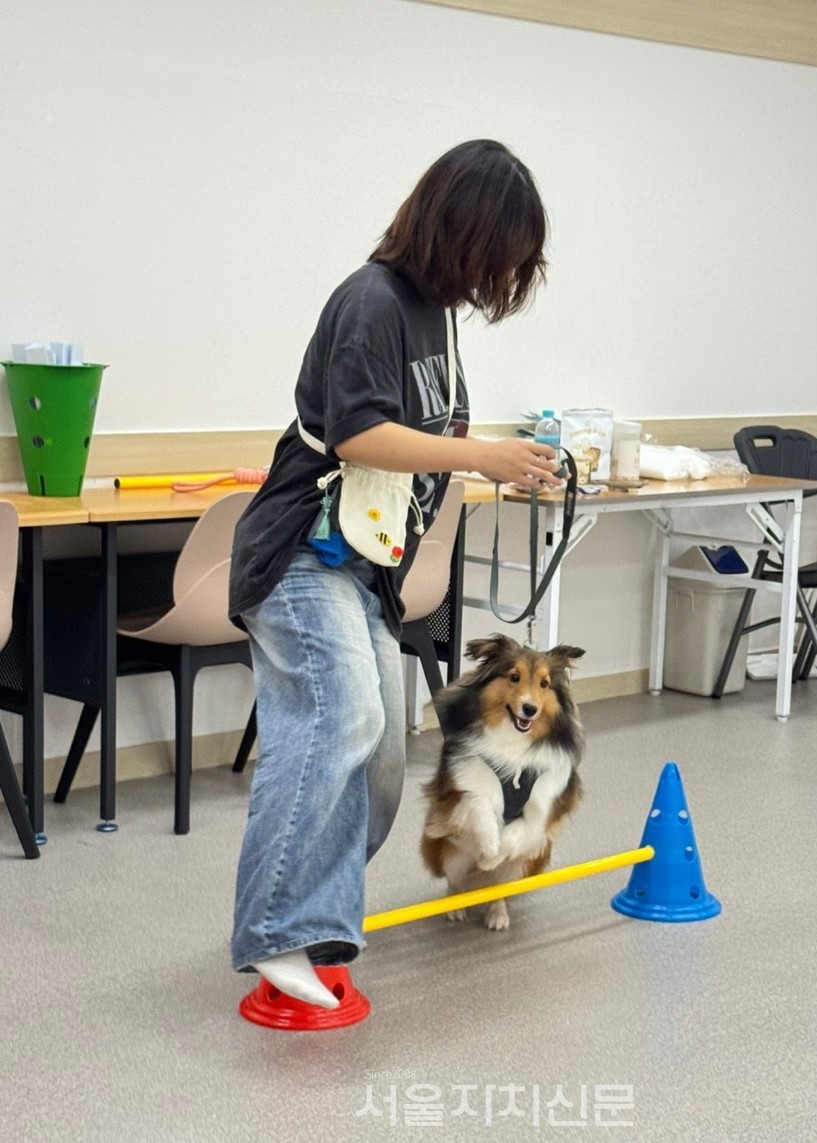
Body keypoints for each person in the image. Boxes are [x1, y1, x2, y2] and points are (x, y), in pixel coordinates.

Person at [228, 139, 564, 1009]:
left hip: (361, 571)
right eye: (500, 255)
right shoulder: (372, 300)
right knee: (340, 719)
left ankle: (315, 919)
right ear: (463, 230)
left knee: (383, 756)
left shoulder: (437, 319)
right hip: (300, 552)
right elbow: (357, 434)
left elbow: (427, 441)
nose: (503, 279)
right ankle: (280, 932)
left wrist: (502, 461)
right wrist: (481, 452)